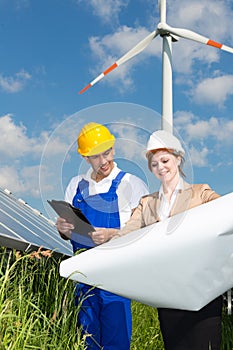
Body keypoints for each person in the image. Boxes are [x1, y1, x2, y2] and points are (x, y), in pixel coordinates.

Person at [111, 129, 223, 350]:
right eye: (154, 164)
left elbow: (223, 210)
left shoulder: (201, 192)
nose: (160, 167)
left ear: (178, 159)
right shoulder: (147, 203)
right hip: (168, 293)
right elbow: (126, 232)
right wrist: (103, 240)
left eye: (165, 160)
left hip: (203, 290)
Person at [56, 122, 148, 350]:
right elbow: (67, 233)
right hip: (83, 276)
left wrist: (112, 235)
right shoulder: (75, 185)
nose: (104, 161)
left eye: (107, 153)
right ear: (86, 159)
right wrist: (63, 229)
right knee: (87, 340)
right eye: (95, 157)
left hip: (115, 276)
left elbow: (145, 232)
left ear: (114, 149)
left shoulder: (132, 184)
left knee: (116, 340)